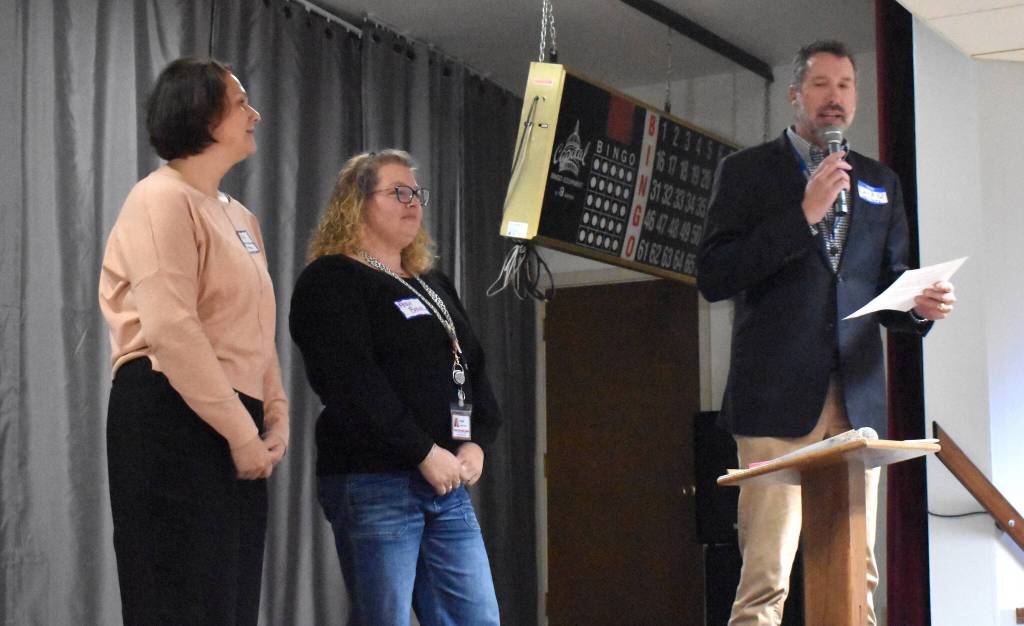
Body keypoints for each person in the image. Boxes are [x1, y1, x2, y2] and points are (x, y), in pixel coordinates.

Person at [697, 40, 956, 626]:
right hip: (775, 404)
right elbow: (714, 277)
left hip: (856, 397)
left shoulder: (880, 182)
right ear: (795, 95)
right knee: (766, 578)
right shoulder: (748, 173)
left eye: (845, 86)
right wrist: (803, 216)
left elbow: (888, 285)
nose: (834, 98)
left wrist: (921, 307)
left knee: (856, 578)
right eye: (821, 85)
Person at [99, 57, 289, 625]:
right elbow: (172, 330)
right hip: (170, 413)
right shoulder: (159, 198)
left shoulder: (241, 217)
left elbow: (258, 328)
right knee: (177, 599)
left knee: (229, 601)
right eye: (240, 105)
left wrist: (274, 416)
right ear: (202, 117)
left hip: (235, 417)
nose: (255, 115)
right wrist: (242, 433)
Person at [289, 149, 502, 626]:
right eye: (397, 192)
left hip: (446, 481)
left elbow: (474, 367)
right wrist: (423, 451)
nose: (413, 202)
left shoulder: (433, 283)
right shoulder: (332, 280)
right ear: (356, 203)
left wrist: (477, 443)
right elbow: (351, 382)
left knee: (477, 618)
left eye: (417, 193)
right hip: (375, 479)